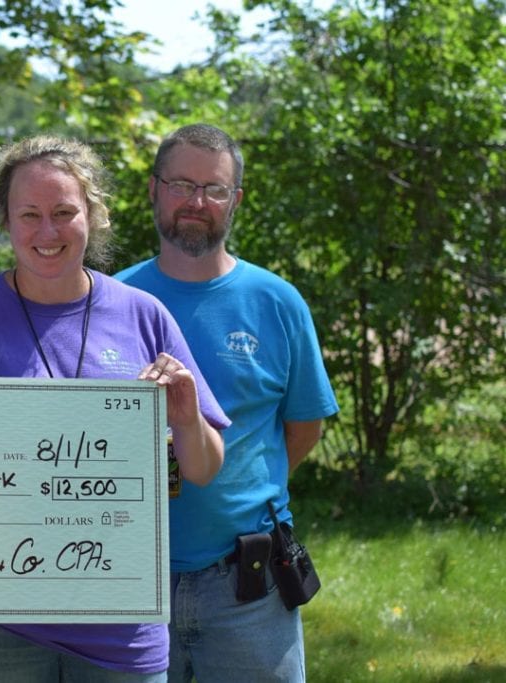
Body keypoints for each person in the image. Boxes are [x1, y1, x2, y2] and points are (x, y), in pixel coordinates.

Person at [0, 135, 230, 681]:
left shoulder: (142, 315)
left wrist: (183, 415)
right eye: (29, 214)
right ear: (6, 221)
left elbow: (203, 467)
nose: (47, 232)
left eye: (65, 212)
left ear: (94, 215)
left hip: (120, 619)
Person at [115, 123, 340, 682]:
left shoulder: (278, 302)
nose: (196, 202)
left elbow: (303, 428)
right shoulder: (111, 301)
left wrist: (238, 492)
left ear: (235, 200)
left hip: (249, 584)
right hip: (128, 576)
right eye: (181, 184)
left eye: (214, 189)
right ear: (153, 189)